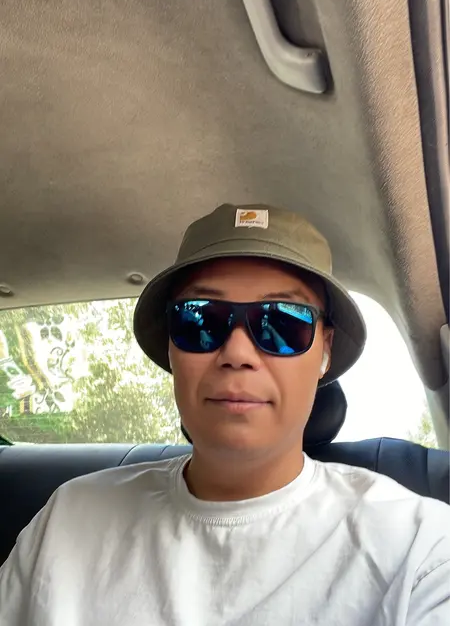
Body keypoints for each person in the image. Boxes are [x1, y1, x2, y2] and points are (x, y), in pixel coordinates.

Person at [0, 203, 449, 625]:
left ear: (324, 351)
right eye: (200, 319)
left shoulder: (418, 551)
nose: (237, 353)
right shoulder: (67, 522)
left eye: (283, 322)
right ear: (172, 348)